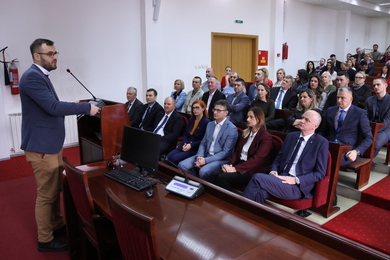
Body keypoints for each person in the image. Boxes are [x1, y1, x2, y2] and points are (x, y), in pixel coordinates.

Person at [19, 38, 100, 252]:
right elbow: (53, 107)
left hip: (50, 144)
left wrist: (79, 105)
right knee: (46, 195)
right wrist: (85, 108)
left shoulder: (40, 75)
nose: (55, 57)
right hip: (41, 146)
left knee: (55, 190)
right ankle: (45, 240)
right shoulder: (32, 78)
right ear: (37, 56)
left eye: (56, 53)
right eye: (50, 54)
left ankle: (56, 225)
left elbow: (50, 106)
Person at [242, 110, 328, 205]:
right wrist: (273, 170)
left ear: (315, 126)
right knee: (259, 192)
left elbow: (320, 173)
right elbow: (279, 158)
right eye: (302, 117)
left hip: (297, 186)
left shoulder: (321, 143)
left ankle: (239, 211)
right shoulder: (291, 136)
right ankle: (253, 217)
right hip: (280, 177)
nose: (302, 121)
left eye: (307, 120)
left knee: (257, 177)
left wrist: (296, 180)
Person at [210, 107, 273, 191]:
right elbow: (236, 152)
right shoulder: (245, 133)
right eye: (247, 117)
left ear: (258, 119)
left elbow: (257, 159)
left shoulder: (266, 137)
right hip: (239, 164)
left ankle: (230, 202)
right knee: (214, 174)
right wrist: (230, 165)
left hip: (251, 169)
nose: (247, 119)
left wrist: (235, 169)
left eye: (251, 117)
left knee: (222, 177)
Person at [178, 100, 238, 180]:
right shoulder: (210, 124)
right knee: (182, 165)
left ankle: (202, 186)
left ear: (226, 112)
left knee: (203, 172)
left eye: (218, 110)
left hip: (220, 159)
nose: (215, 112)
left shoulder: (232, 129)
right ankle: (196, 183)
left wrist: (205, 160)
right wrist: (200, 156)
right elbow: (203, 143)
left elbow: (225, 152)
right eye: (214, 109)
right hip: (205, 154)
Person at [320, 87, 373, 166]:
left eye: (342, 98)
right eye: (338, 97)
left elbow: (369, 138)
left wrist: (356, 151)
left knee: (329, 160)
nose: (339, 100)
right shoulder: (330, 110)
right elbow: (323, 132)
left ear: (351, 99)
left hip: (347, 149)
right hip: (329, 145)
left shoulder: (359, 113)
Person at [166, 100, 210, 165]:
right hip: (185, 145)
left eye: (197, 107)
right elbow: (186, 134)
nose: (195, 110)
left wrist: (191, 145)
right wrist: (185, 143)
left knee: (173, 159)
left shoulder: (207, 122)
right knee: (167, 158)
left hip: (195, 148)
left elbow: (204, 140)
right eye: (193, 108)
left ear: (203, 108)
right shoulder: (191, 119)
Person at [364, 77, 390, 157]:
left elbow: (387, 121)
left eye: (378, 85)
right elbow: (365, 117)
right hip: (370, 127)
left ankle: (368, 163)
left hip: (385, 129)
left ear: (385, 85)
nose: (375, 87)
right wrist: (367, 129)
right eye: (374, 85)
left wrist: (374, 130)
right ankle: (359, 161)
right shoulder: (369, 100)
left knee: (375, 144)